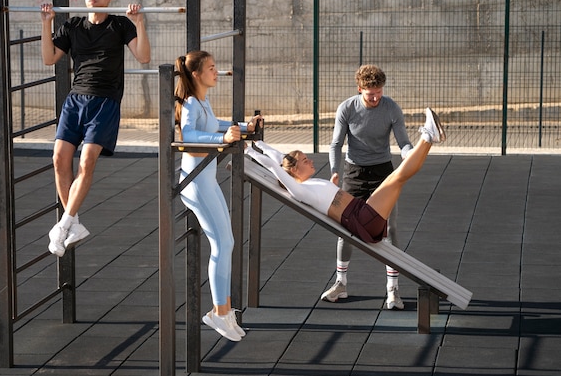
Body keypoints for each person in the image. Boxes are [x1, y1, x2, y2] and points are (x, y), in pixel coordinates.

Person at [40, 0, 151, 257]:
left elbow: (144, 57)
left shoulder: (119, 25)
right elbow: (49, 58)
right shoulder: (73, 26)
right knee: (59, 158)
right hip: (75, 100)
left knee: (87, 162)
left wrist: (139, 23)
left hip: (105, 102)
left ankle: (64, 225)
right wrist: (47, 23)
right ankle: (72, 222)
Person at [244, 108, 445, 263]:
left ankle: (429, 137)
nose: (310, 161)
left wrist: (259, 144)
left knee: (399, 177)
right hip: (362, 219)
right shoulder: (300, 191)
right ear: (294, 171)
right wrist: (249, 151)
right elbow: (274, 166)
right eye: (305, 161)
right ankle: (428, 137)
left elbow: (280, 158)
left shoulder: (306, 181)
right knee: (399, 176)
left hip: (362, 210)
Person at [174, 50, 262, 342]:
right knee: (223, 243)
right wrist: (221, 139)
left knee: (228, 242)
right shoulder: (189, 104)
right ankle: (218, 312)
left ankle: (222, 311)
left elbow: (214, 124)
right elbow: (188, 135)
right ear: (196, 74)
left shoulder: (203, 101)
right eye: (211, 68)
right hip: (196, 182)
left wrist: (242, 127)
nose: (216, 71)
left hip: (206, 180)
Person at [324, 64, 413, 309]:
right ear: (360, 89)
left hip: (382, 171)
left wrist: (410, 154)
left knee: (389, 227)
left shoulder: (391, 108)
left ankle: (393, 289)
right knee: (345, 229)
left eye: (379, 92)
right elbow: (335, 144)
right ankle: (340, 283)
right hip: (353, 172)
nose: (375, 97)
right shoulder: (347, 108)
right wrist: (333, 171)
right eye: (370, 93)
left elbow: (403, 141)